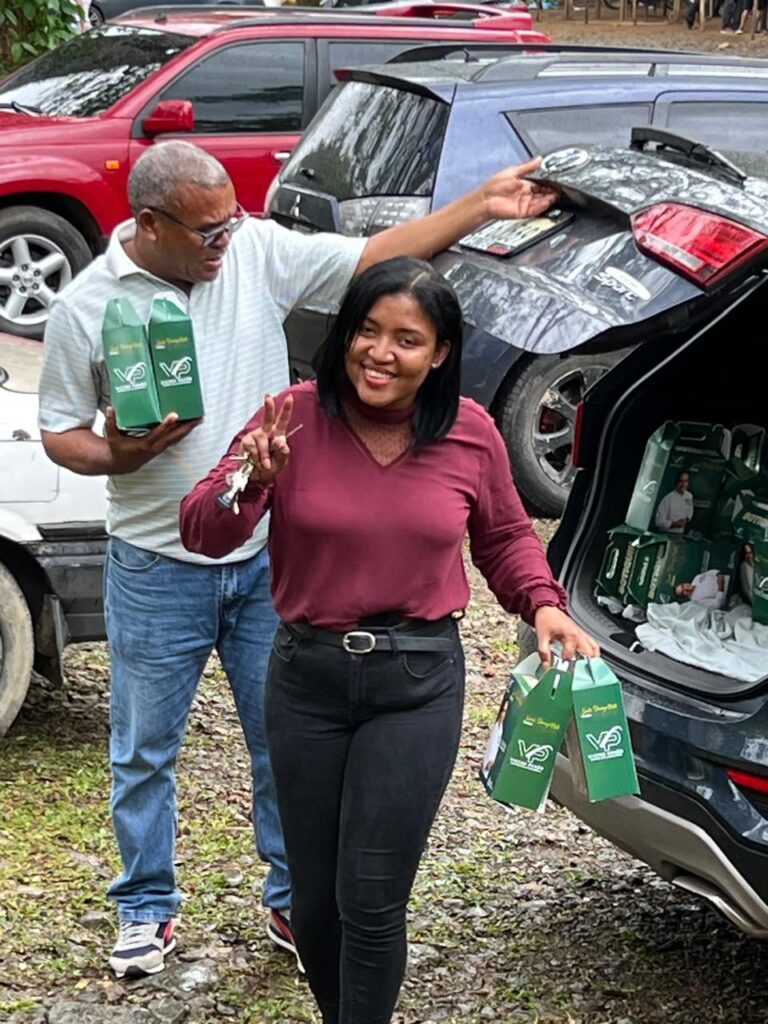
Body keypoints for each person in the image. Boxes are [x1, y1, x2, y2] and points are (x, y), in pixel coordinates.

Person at [37, 141, 560, 980]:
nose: (228, 239)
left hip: (271, 563)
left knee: (279, 748)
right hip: (156, 558)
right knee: (144, 748)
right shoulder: (86, 307)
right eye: (209, 232)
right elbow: (61, 431)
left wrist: (479, 205)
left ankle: (294, 895)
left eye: (232, 222)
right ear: (151, 225)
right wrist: (122, 454)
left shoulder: (253, 253)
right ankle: (145, 905)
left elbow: (377, 261)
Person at [179, 256, 599, 1024]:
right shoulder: (291, 418)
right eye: (367, 331)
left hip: (416, 684)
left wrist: (543, 603)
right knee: (314, 901)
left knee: (371, 897)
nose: (380, 353)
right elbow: (203, 530)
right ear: (345, 334)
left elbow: (506, 537)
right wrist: (254, 478)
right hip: (305, 680)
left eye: (407, 339)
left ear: (439, 353)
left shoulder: (470, 432)